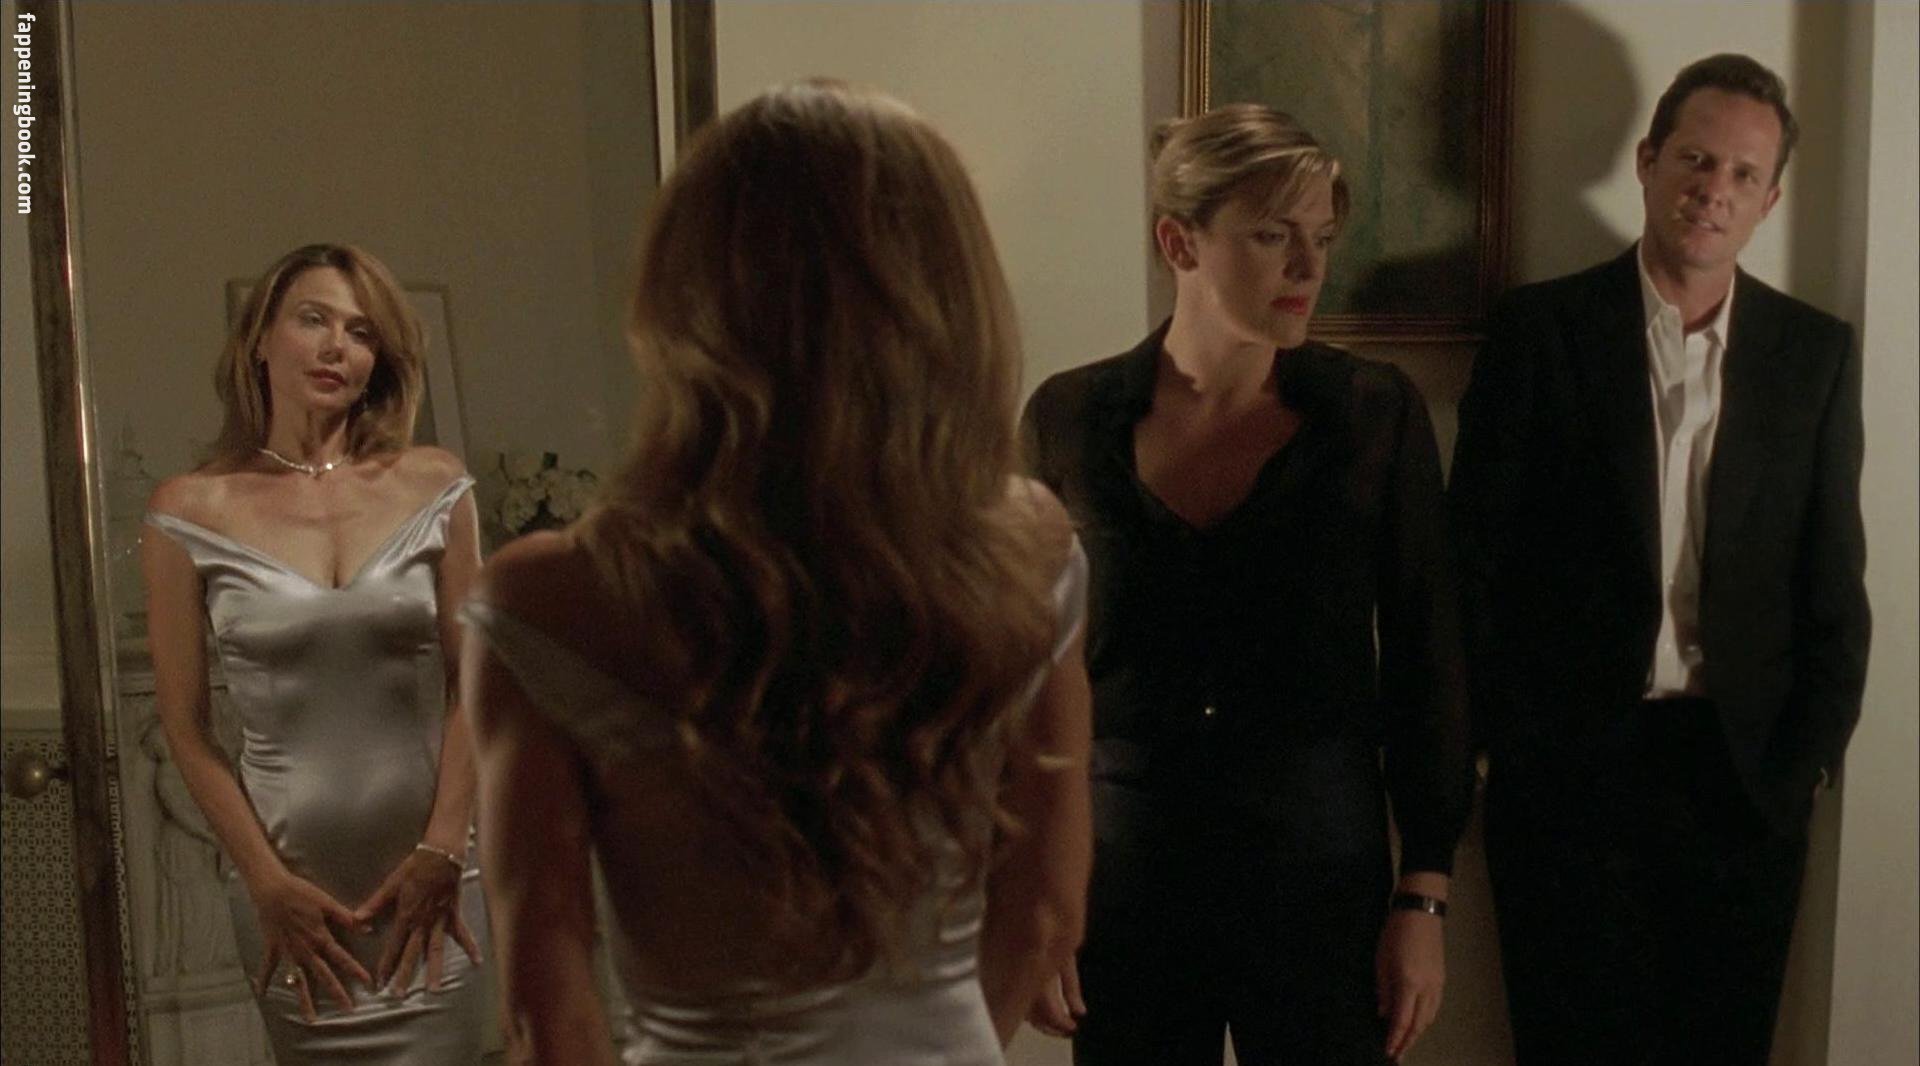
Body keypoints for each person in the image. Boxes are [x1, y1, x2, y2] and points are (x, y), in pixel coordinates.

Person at [459, 80, 1094, 1066]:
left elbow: (550, 1006)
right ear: (950, 293)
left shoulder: (552, 597)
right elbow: (1046, 908)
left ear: (686, 293)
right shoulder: (1024, 546)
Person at [1019, 104, 1473, 1066]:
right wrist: (1031, 886)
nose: (1308, 268)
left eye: (1321, 238)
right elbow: (1026, 673)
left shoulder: (1372, 415)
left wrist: (1424, 893)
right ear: (1178, 242)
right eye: (1272, 236)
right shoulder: (1072, 417)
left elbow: (1428, 658)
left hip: (1319, 875)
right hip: (1125, 880)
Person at [1450, 54, 1870, 1065]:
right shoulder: (1540, 331)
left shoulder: (1813, 355)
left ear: (1769, 201)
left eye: (1742, 174)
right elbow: (1471, 564)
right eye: (1695, 159)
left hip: (1742, 779)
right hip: (1568, 776)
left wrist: (1801, 766)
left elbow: (1832, 589)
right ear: (1648, 161)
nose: (1713, 189)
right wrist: (1500, 745)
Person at [143, 243, 489, 1064]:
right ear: (260, 339)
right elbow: (185, 728)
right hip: (289, 898)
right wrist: (264, 881)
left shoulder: (435, 485)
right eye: (314, 320)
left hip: (437, 887)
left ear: (378, 362)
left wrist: (444, 847)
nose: (338, 346)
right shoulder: (188, 510)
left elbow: (479, 680)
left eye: (362, 333)